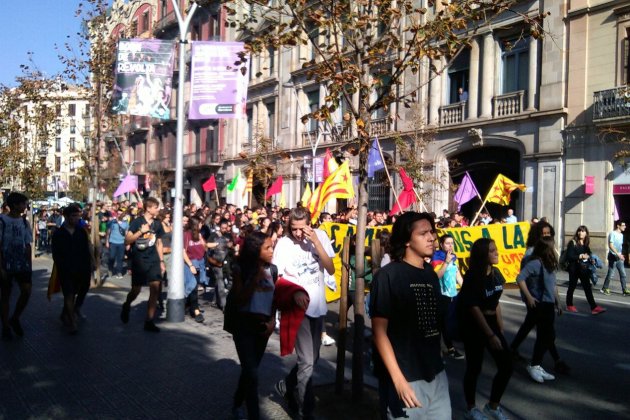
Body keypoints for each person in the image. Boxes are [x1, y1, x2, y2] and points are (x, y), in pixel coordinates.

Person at [369, 212, 450, 419]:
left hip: (436, 375)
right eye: (423, 233)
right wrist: (398, 381)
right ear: (406, 240)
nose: (432, 238)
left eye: (432, 232)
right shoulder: (388, 276)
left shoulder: (431, 274)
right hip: (406, 379)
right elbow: (379, 332)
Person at [273, 207, 335, 420]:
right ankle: (305, 411)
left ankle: (288, 385)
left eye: (302, 229)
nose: (298, 234)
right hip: (297, 310)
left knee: (313, 358)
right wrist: (294, 292)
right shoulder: (284, 244)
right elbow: (277, 278)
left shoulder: (321, 237)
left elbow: (331, 269)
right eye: (294, 229)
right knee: (307, 361)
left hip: (317, 306)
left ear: (310, 223)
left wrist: (316, 242)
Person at [458, 238, 512, 420]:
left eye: (496, 249)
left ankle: (493, 406)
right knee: (474, 367)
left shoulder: (496, 274)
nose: (497, 253)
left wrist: (500, 328)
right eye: (492, 250)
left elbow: (496, 303)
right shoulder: (472, 276)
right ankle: (471, 408)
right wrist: (490, 335)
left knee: (506, 365)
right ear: (482, 254)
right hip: (474, 326)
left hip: (492, 324)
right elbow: (473, 307)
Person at [228, 232, 277, 420]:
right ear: (256, 250)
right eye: (267, 248)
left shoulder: (273, 269)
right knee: (252, 374)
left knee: (251, 370)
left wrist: (272, 321)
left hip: (262, 327)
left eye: (272, 246)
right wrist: (254, 279)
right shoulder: (240, 268)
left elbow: (274, 298)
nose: (272, 250)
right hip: (243, 326)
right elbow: (239, 299)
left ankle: (237, 402)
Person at [510, 221, 570, 374]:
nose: (546, 236)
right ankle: (548, 362)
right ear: (537, 234)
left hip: (545, 300)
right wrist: (528, 298)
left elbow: (552, 281)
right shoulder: (532, 254)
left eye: (549, 233)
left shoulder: (548, 253)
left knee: (533, 328)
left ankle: (511, 352)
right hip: (537, 300)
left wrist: (558, 301)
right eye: (543, 234)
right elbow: (523, 277)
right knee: (545, 332)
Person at [120, 198, 166, 332]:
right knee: (136, 290)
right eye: (156, 207)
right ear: (149, 208)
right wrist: (141, 231)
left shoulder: (157, 224)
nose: (158, 209)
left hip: (153, 260)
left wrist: (161, 261)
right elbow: (127, 241)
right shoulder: (137, 222)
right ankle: (127, 304)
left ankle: (149, 321)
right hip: (139, 260)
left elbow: (159, 243)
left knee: (155, 288)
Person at [51, 204, 93, 334]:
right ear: (66, 216)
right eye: (73, 216)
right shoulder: (59, 233)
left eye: (78, 216)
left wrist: (92, 262)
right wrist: (61, 266)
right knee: (68, 294)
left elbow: (88, 248)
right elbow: (56, 253)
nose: (76, 219)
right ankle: (72, 321)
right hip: (66, 268)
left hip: (82, 267)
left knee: (82, 289)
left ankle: (71, 311)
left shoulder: (81, 231)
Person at [0, 193, 33, 340]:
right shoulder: (2, 221)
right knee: (5, 294)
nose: (25, 206)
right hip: (5, 261)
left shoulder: (24, 222)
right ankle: (6, 326)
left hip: (21, 262)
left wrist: (29, 265)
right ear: (15, 205)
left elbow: (27, 244)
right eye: (23, 204)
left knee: (26, 290)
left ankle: (15, 317)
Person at [431, 234, 464, 360]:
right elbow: (437, 277)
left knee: (448, 323)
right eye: (447, 243)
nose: (450, 245)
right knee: (441, 324)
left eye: (452, 243)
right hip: (441, 296)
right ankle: (443, 350)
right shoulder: (436, 257)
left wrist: (465, 289)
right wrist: (446, 262)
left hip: (452, 295)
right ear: (441, 245)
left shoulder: (454, 257)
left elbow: (458, 275)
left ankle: (449, 348)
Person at [565, 226, 606, 315]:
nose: (580, 233)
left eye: (583, 231)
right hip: (574, 269)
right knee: (572, 286)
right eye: (579, 231)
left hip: (583, 269)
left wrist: (591, 260)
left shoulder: (585, 245)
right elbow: (569, 256)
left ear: (586, 233)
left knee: (587, 287)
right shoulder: (573, 243)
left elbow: (589, 255)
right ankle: (569, 305)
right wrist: (581, 256)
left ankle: (594, 307)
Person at [183, 216, 207, 323]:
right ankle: (195, 309)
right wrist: (190, 265)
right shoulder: (186, 235)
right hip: (190, 263)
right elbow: (183, 251)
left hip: (200, 263)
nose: (202, 225)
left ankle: (187, 305)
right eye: (200, 223)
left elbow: (204, 248)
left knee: (196, 285)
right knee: (192, 286)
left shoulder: (199, 235)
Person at [600, 220, 629, 296]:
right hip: (613, 256)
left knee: (623, 273)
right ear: (618, 226)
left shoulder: (621, 235)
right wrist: (617, 254)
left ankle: (624, 289)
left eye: (625, 225)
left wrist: (621, 255)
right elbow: (611, 245)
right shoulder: (612, 233)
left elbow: (620, 246)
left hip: (619, 256)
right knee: (611, 274)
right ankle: (604, 288)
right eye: (623, 225)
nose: (625, 227)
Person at [106, 213, 128, 279]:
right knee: (112, 257)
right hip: (113, 242)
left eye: (121, 214)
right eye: (118, 214)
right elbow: (108, 232)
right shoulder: (113, 222)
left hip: (122, 243)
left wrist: (127, 243)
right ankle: (110, 269)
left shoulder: (126, 223)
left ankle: (119, 272)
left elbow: (127, 233)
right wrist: (107, 241)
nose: (120, 215)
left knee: (120, 258)